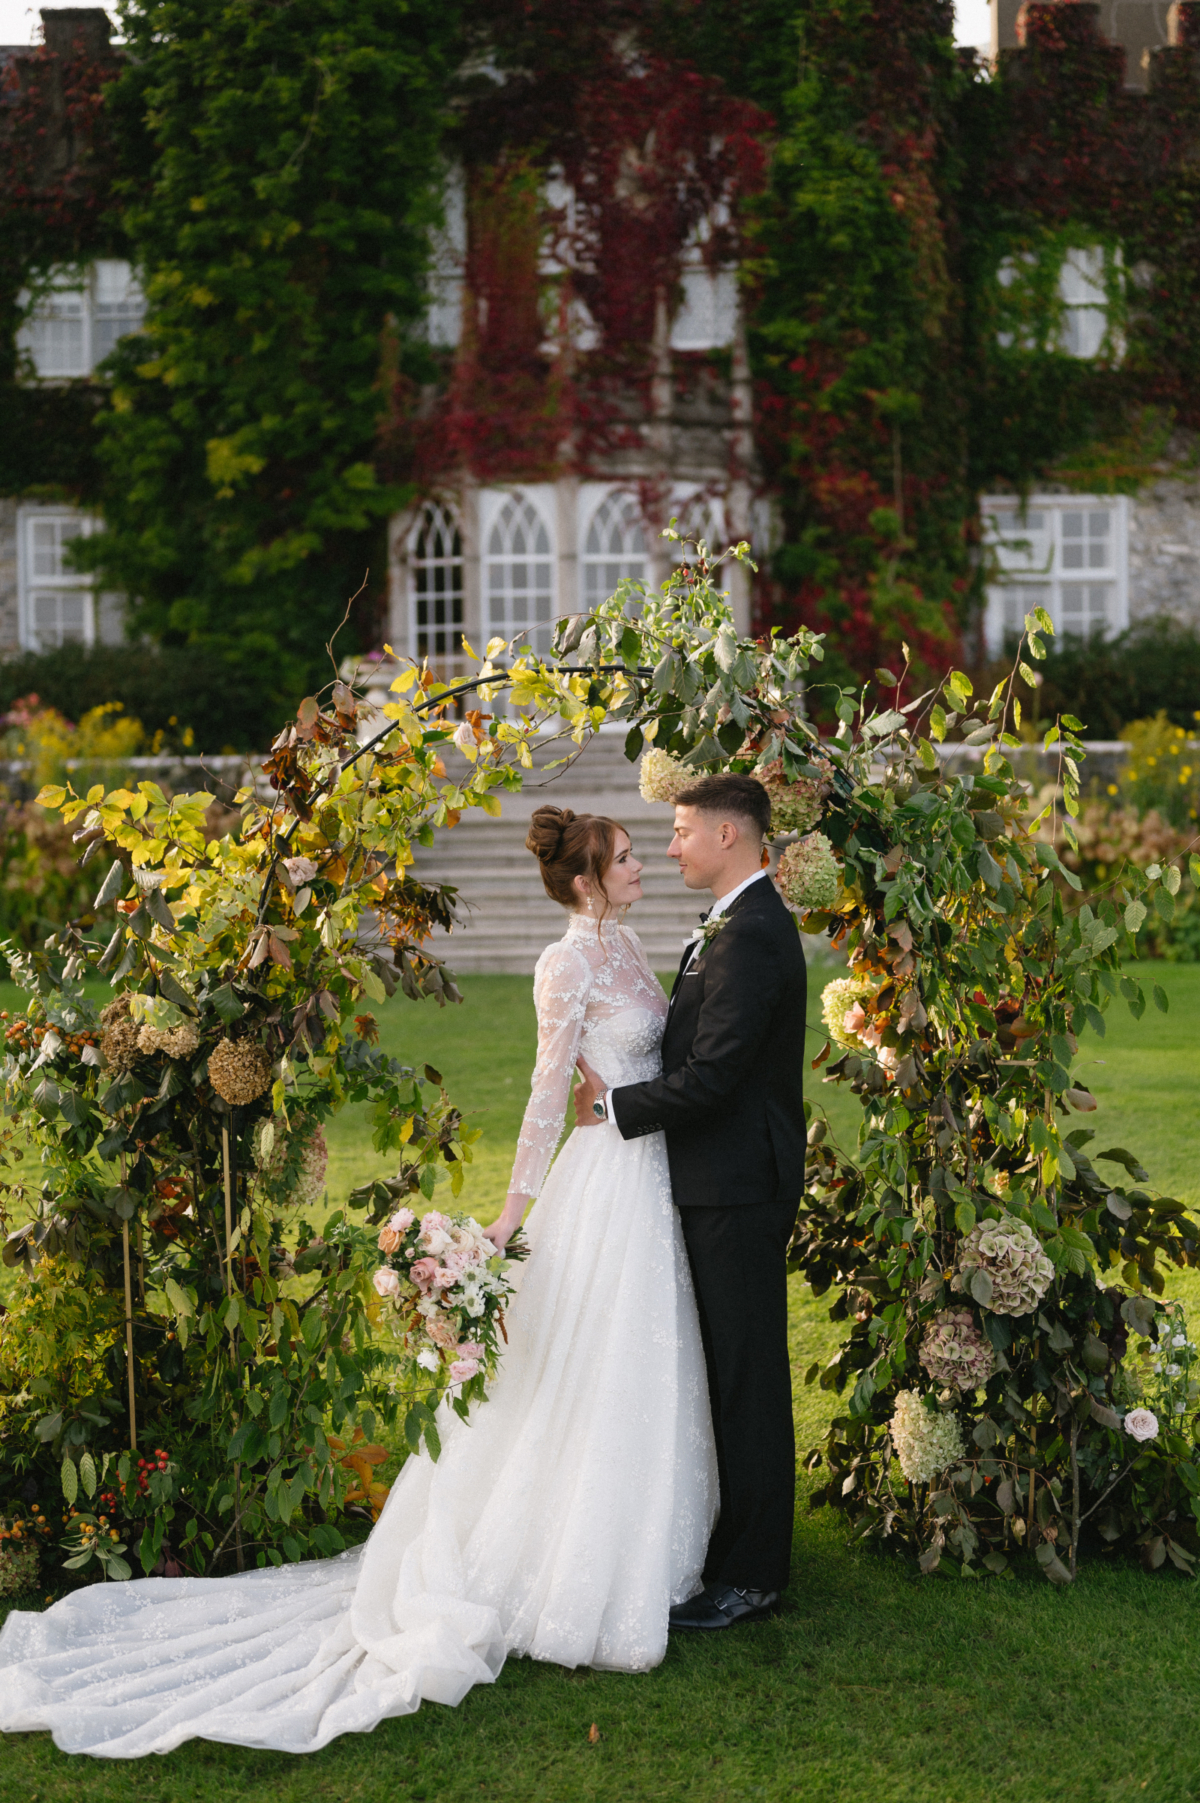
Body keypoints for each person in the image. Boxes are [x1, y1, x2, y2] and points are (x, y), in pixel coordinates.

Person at [0, 807, 716, 1759]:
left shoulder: (626, 941)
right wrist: (511, 1210)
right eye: (626, 859)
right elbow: (548, 1088)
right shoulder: (565, 962)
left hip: (645, 1172)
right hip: (600, 1188)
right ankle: (571, 1564)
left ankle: (651, 1547)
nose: (639, 867)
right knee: (584, 1365)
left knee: (637, 1360)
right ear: (585, 880)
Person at [573, 773, 806, 1630]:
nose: (669, 846)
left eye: (679, 831)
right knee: (730, 1368)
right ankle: (740, 1542)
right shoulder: (732, 924)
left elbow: (713, 1078)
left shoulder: (750, 936)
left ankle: (753, 1574)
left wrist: (616, 1107)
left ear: (727, 836)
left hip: (740, 1184)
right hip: (720, 1179)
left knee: (748, 1375)